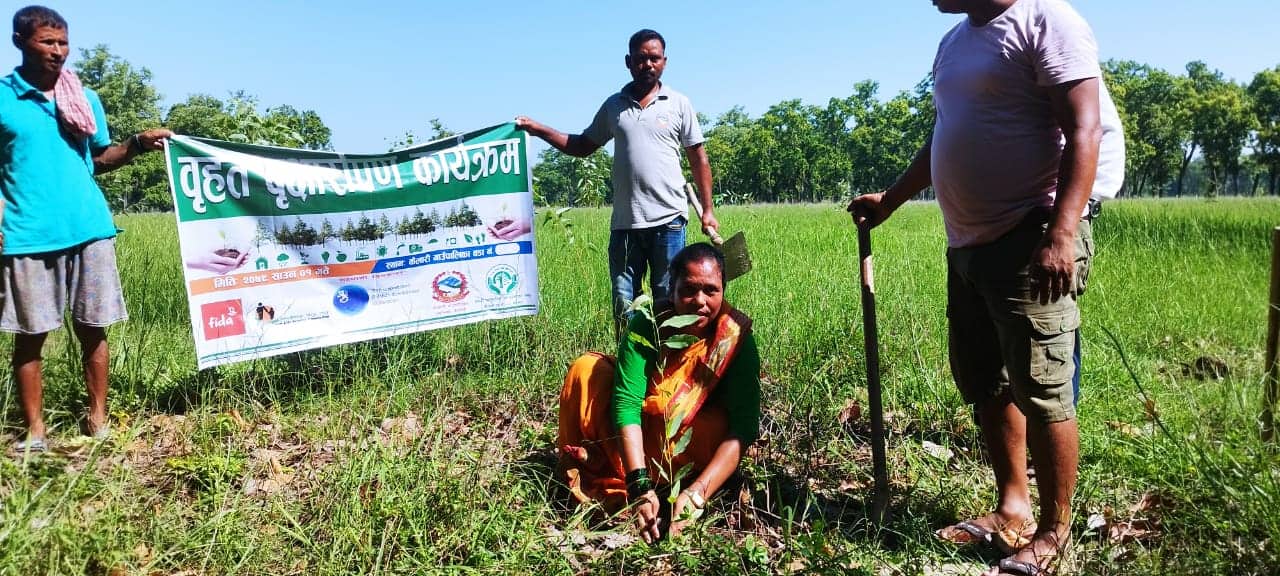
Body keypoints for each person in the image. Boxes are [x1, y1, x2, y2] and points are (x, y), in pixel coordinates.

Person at [848, 1, 1123, 574]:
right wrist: (892, 200)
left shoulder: (1048, 22)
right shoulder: (953, 43)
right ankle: (1012, 507)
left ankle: (1052, 532)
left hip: (1032, 235)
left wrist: (1062, 233)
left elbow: (1083, 128)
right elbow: (945, 133)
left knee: (1043, 387)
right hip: (968, 244)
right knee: (988, 381)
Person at [2, 5, 173, 453]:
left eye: (63, 43)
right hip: (27, 234)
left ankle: (97, 420)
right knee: (30, 335)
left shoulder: (82, 97)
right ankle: (35, 433)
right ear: (20, 42)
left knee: (94, 328)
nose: (58, 52)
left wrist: (136, 144)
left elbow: (99, 159)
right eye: (47, 42)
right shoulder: (3, 98)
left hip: (89, 229)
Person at [516, 29, 717, 333]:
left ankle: (667, 368)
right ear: (628, 62)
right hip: (625, 224)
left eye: (654, 58)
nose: (647, 64)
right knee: (624, 302)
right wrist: (538, 129)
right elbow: (582, 145)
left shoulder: (678, 104)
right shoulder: (614, 107)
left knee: (669, 299)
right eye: (640, 59)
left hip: (669, 222)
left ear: (664, 62)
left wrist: (708, 210)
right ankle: (627, 365)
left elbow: (698, 158)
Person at [557, 243, 759, 542]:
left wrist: (697, 494)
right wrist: (639, 485)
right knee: (586, 369)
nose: (700, 301)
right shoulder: (648, 324)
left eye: (711, 290)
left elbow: (743, 428)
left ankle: (675, 481)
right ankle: (627, 476)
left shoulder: (735, 340)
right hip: (641, 438)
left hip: (691, 448)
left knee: (698, 419)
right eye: (689, 289)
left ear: (723, 290)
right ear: (671, 288)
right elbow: (626, 402)